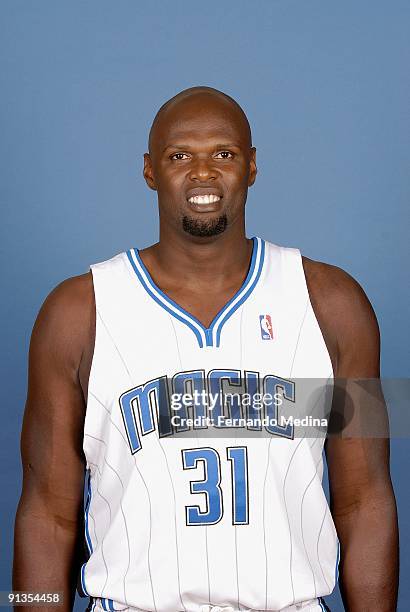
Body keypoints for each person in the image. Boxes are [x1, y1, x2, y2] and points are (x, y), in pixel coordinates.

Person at [13, 86, 398, 612]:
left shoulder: (334, 304)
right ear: (149, 170)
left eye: (223, 153)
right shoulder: (76, 313)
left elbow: (366, 500)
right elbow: (45, 515)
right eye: (179, 156)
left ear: (253, 166)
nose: (202, 173)